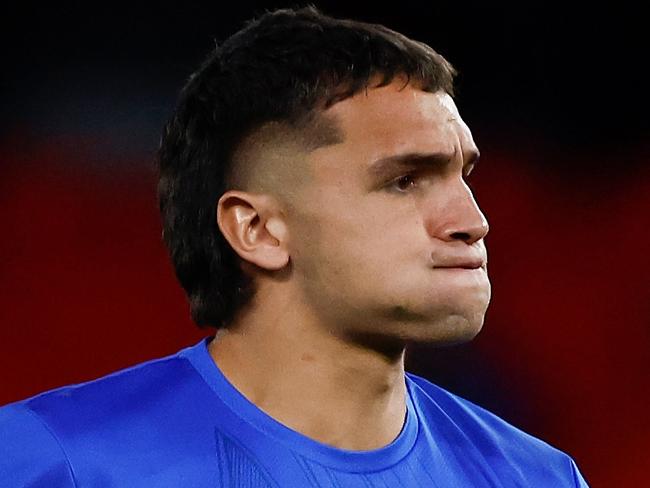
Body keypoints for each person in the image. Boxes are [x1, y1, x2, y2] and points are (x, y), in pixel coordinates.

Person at [0, 6, 589, 487]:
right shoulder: (54, 461)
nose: (473, 220)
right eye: (404, 180)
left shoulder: (538, 477)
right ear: (257, 229)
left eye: (466, 176)